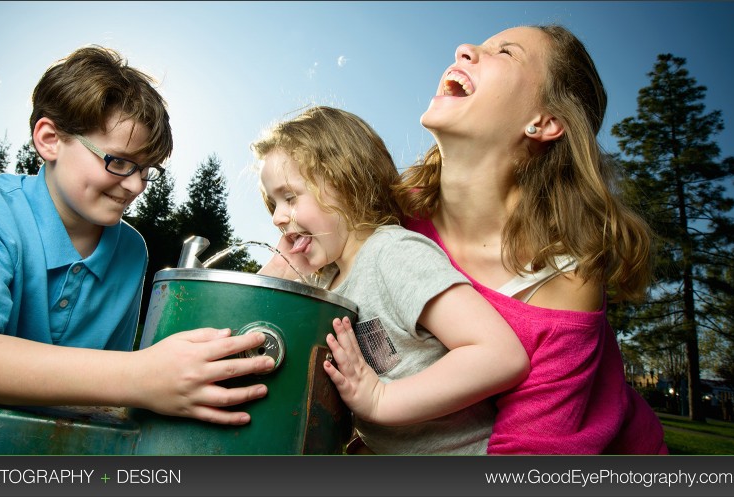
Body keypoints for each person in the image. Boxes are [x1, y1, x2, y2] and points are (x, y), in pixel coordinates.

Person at [0, 46, 274, 425]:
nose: (136, 186)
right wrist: (141, 375)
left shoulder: (130, 249)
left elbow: (103, 398)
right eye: (120, 161)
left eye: (146, 169)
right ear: (49, 139)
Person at [397, 25, 668, 454]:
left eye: (504, 52)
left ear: (544, 122)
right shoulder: (394, 213)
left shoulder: (562, 280)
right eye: (478, 46)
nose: (463, 49)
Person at [255, 106, 529, 454]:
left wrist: (381, 399)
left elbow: (500, 355)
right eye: (273, 204)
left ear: (344, 179)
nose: (278, 217)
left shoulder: (392, 254)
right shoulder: (325, 282)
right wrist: (278, 275)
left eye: (290, 197)